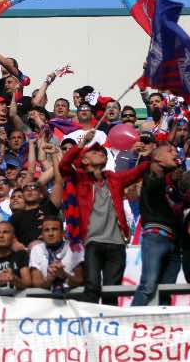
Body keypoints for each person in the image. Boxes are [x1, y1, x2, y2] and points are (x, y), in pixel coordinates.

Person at [59, 130, 148, 304]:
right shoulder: (79, 179)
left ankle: (109, 327)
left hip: (117, 243)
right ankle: (91, 328)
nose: (101, 152)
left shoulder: (115, 179)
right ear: (84, 160)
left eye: (102, 152)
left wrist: (144, 155)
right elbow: (63, 165)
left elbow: (139, 171)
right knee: (91, 287)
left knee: (111, 291)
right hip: (91, 242)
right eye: (95, 151)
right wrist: (82, 144)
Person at [131, 145, 182, 306]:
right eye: (170, 151)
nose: (175, 152)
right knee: (148, 286)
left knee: (166, 293)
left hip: (174, 244)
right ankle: (128, 325)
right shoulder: (151, 177)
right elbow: (153, 177)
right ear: (157, 159)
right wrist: (146, 157)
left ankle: (162, 330)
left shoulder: (172, 185)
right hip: (156, 238)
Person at [29, 217, 84, 292]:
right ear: (42, 234)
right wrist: (50, 278)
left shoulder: (75, 247)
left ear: (63, 233)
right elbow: (36, 283)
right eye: (46, 230)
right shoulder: (36, 249)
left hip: (72, 295)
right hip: (45, 296)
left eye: (54, 229)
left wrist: (63, 274)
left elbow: (80, 280)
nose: (50, 234)